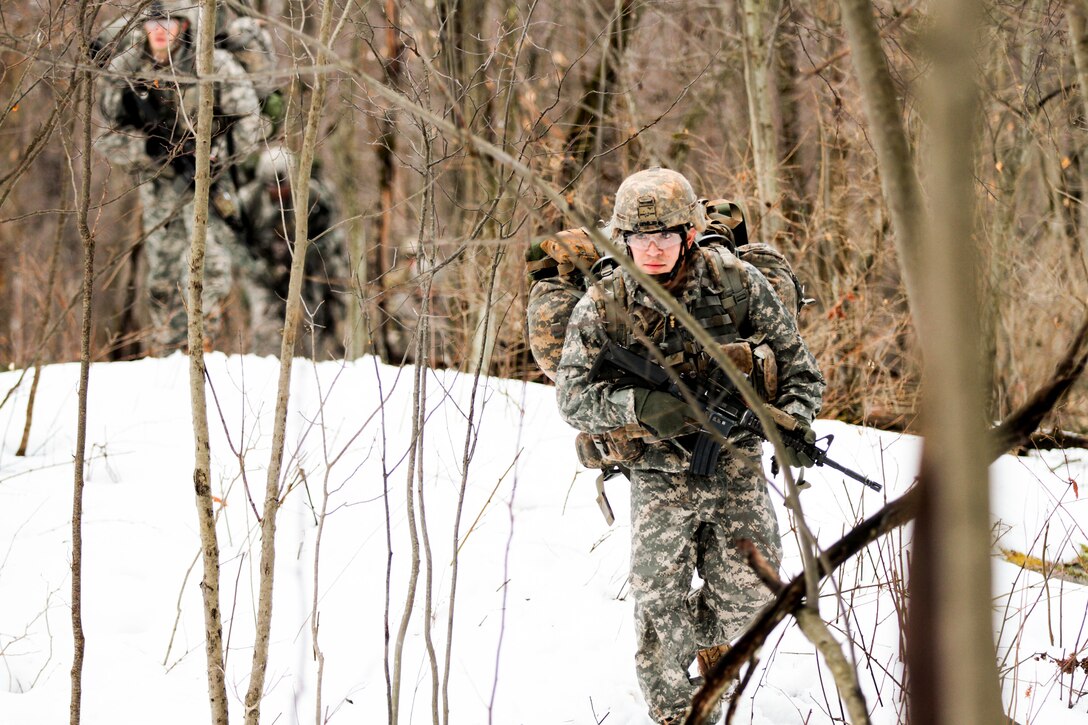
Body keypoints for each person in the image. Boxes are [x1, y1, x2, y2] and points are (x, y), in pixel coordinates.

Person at [555, 168, 825, 724]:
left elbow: (801, 371)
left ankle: (707, 639)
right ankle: (678, 714)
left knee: (758, 600)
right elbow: (572, 397)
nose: (651, 251)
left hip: (735, 463)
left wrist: (794, 424)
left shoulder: (739, 283)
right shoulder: (606, 303)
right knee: (658, 607)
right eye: (638, 240)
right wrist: (641, 407)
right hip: (657, 473)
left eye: (664, 238)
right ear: (622, 241)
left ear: (689, 235)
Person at [95, 0, 266, 353]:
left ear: (184, 26)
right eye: (152, 24)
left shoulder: (213, 64)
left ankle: (201, 344)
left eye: (168, 23)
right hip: (159, 183)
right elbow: (105, 134)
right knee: (162, 271)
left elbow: (251, 119)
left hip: (207, 179)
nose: (159, 31)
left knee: (212, 264)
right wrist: (146, 151)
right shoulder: (126, 69)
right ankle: (166, 348)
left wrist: (218, 157)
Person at [237, 145, 347, 356]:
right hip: (264, 274)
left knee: (312, 323)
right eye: (270, 186)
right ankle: (265, 368)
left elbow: (333, 235)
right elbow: (235, 243)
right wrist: (259, 267)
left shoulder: (316, 196)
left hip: (308, 270)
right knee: (265, 328)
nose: (277, 192)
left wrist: (305, 257)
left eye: (283, 185)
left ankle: (315, 367)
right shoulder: (248, 201)